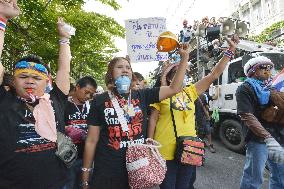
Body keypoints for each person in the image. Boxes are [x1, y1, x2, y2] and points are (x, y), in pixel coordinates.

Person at [82, 43, 191, 189]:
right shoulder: (99, 101)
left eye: (128, 67)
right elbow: (91, 140)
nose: (125, 70)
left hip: (138, 168)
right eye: (119, 67)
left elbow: (174, 88)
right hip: (108, 170)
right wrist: (85, 173)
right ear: (111, 74)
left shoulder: (142, 95)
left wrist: (184, 58)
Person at [147, 35, 239, 189]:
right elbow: (153, 120)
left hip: (190, 149)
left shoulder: (190, 92)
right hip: (165, 151)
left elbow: (214, 75)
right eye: (178, 73)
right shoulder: (160, 94)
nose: (184, 76)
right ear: (170, 79)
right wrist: (150, 144)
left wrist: (230, 52)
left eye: (184, 73)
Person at [0, 2, 73, 188]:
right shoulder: (4, 100)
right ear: (13, 80)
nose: (30, 81)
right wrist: (2, 18)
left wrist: (64, 39)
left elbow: (64, 69)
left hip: (57, 183)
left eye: (36, 77)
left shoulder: (56, 99)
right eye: (23, 76)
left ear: (47, 81)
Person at [237, 56, 284, 189]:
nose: (267, 70)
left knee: (280, 176)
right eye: (263, 67)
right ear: (253, 71)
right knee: (253, 178)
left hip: (278, 137)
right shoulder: (245, 88)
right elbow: (247, 116)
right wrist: (268, 137)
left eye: (270, 67)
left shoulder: (274, 88)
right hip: (258, 139)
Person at [65, 76, 97, 189]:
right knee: (68, 184)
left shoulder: (92, 107)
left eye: (91, 94)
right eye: (86, 92)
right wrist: (66, 129)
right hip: (67, 158)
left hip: (86, 156)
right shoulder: (64, 104)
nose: (88, 96)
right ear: (77, 87)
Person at [195, 87, 219, 153]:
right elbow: (215, 98)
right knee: (207, 130)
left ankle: (203, 143)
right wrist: (218, 89)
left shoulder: (199, 95)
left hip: (197, 116)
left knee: (201, 130)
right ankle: (208, 144)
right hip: (203, 116)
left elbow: (204, 106)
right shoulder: (204, 95)